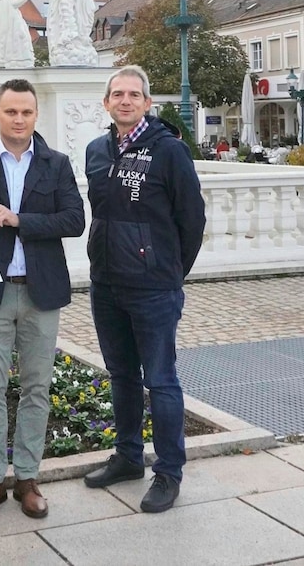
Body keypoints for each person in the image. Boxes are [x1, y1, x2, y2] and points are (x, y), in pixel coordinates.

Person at [0, 78, 85, 521]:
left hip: (40, 291)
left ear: (35, 115)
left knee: (37, 388)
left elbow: (74, 220)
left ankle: (27, 477)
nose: (18, 119)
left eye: (26, 112)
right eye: (10, 111)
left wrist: (19, 220)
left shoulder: (57, 163)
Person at [83, 65, 205, 513]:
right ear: (107, 102)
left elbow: (192, 219)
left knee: (161, 380)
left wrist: (169, 271)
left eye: (135, 94)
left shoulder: (169, 151)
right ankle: (129, 456)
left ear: (148, 103)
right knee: (121, 376)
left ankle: (168, 471)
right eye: (118, 94)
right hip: (107, 283)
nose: (126, 101)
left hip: (153, 288)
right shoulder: (97, 150)